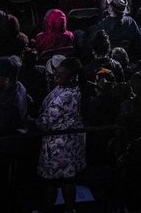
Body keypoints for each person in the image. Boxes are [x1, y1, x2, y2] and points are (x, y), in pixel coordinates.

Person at [38, 55, 86, 212]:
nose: (56, 78)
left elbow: (45, 121)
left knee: (52, 181)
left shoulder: (66, 96)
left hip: (59, 145)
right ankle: (69, 209)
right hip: (68, 142)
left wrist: (32, 121)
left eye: (60, 75)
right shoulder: (69, 87)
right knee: (68, 179)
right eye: (56, 74)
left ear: (72, 77)